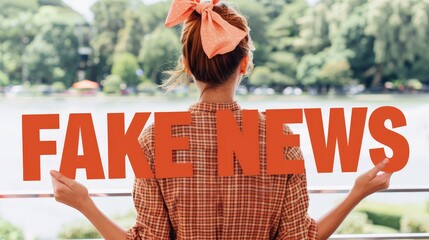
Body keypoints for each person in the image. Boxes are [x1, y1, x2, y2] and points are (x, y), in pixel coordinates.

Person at [50, 0, 393, 239]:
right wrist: (356, 193)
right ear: (244, 65)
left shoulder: (154, 140)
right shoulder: (280, 137)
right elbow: (299, 237)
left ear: (186, 65)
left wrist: (85, 204)